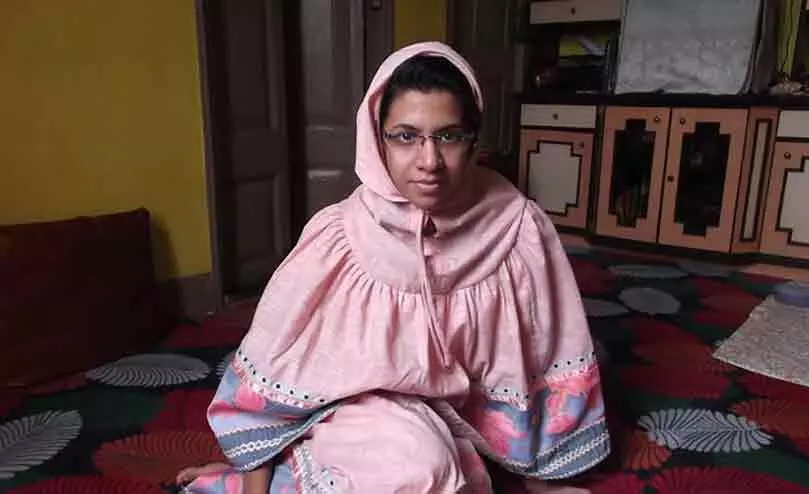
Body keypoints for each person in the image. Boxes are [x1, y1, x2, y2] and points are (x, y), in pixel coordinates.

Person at [177, 41, 609, 493]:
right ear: (376, 138)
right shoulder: (340, 236)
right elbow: (276, 363)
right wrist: (253, 484)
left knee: (441, 468)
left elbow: (542, 350)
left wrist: (540, 481)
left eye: (449, 136)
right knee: (421, 470)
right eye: (405, 136)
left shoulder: (517, 227)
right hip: (358, 409)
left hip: (458, 415)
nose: (429, 161)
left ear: (473, 141)